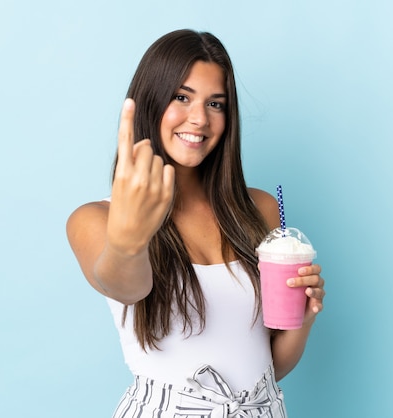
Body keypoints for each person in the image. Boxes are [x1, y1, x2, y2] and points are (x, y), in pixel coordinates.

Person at [66, 29, 325, 417]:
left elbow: (267, 368)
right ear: (152, 101)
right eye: (182, 97)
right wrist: (128, 240)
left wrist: (301, 320)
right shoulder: (95, 219)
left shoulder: (259, 210)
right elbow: (122, 284)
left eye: (216, 103)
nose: (200, 119)